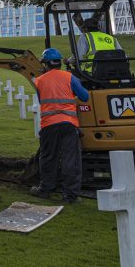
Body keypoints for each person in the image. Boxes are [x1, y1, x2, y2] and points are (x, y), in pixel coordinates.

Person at [31, 47, 90, 204]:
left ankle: (45, 190)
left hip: (49, 125)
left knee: (48, 157)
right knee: (70, 159)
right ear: (58, 63)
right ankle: (70, 195)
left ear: (45, 64)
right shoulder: (69, 77)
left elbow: (42, 99)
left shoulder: (39, 81)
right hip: (68, 124)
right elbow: (85, 96)